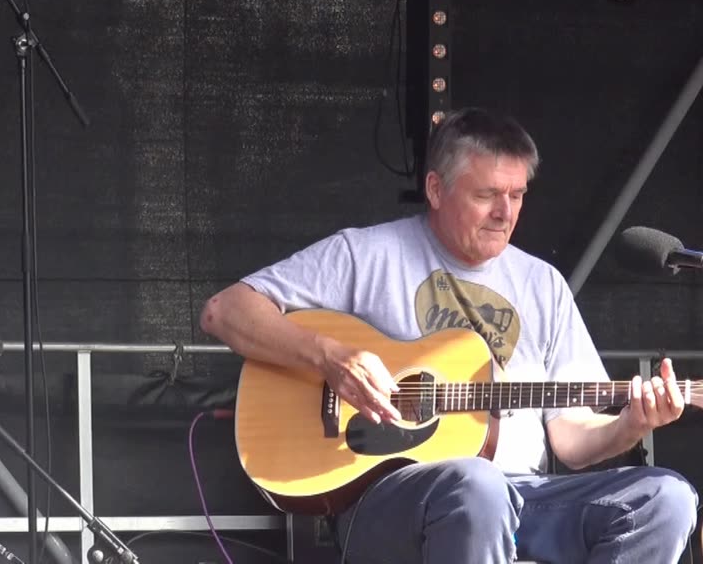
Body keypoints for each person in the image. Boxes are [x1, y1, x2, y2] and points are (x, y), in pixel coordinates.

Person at [200, 108, 697, 564]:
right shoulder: (365, 255)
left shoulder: (542, 284)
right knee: (476, 483)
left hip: (526, 497)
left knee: (666, 499)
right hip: (392, 505)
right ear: (436, 190)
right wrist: (331, 356)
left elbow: (571, 439)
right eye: (486, 195)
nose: (505, 212)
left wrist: (633, 423)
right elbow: (226, 312)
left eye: (517, 194)